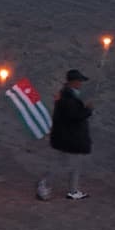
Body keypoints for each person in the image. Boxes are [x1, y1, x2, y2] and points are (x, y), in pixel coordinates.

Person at [38, 70, 91, 199]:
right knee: (65, 164)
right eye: (79, 81)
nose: (81, 84)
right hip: (68, 137)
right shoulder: (68, 98)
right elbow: (74, 116)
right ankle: (46, 184)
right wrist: (88, 110)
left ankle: (73, 190)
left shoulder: (67, 94)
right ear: (73, 82)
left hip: (66, 136)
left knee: (72, 163)